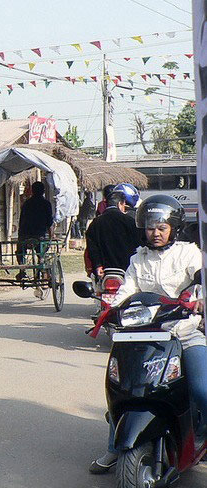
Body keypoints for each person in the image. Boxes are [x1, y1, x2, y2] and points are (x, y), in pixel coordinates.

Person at [88, 195, 207, 474]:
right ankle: (115, 448)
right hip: (141, 336)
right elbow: (127, 291)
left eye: (161, 227)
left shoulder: (189, 253)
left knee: (203, 390)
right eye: (151, 227)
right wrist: (112, 307)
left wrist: (200, 298)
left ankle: (201, 435)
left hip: (184, 334)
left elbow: (202, 277)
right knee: (121, 391)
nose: (155, 233)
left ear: (173, 229)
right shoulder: (137, 259)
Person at [84, 183, 141, 276]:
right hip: (127, 269)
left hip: (104, 272)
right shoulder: (130, 221)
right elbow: (139, 244)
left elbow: (92, 247)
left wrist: (98, 265)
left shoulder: (95, 223)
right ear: (120, 204)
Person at [16, 181, 54, 265]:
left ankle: (22, 268)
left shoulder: (26, 204)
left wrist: (20, 235)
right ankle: (41, 261)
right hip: (39, 235)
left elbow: (21, 221)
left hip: (24, 235)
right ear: (43, 191)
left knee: (20, 251)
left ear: (32, 191)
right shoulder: (46, 204)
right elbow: (49, 222)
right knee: (41, 251)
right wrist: (51, 236)